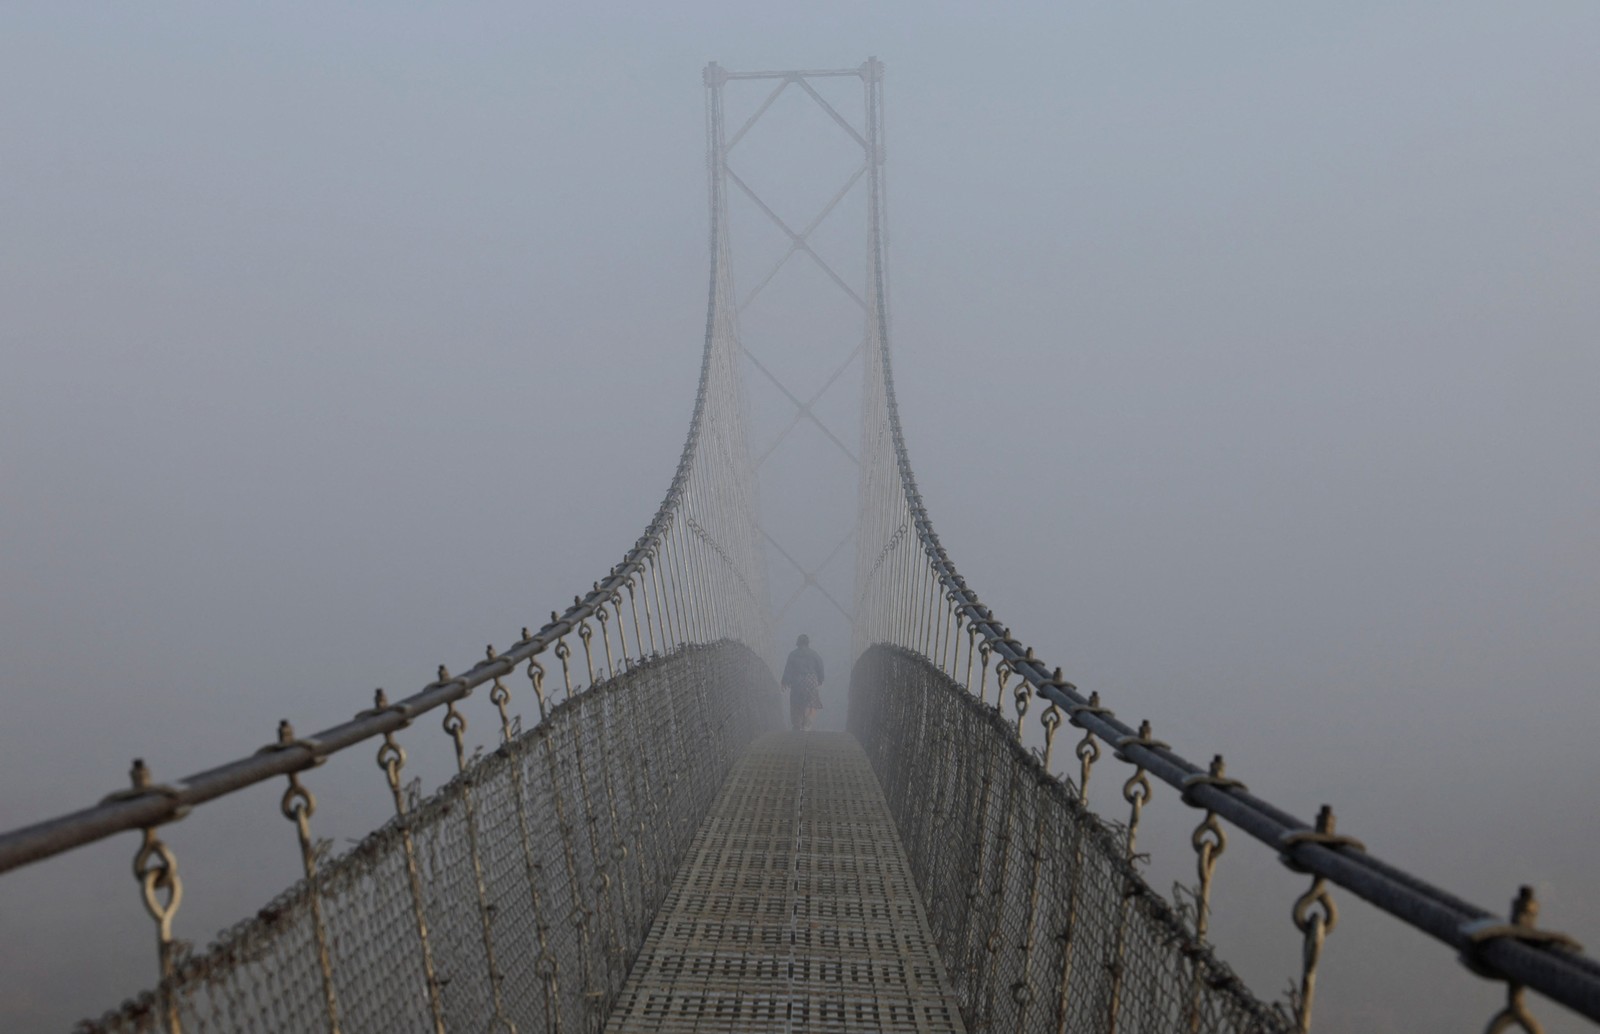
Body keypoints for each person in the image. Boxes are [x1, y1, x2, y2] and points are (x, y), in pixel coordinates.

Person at [781, 634, 825, 732]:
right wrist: (820, 679)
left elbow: (788, 669)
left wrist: (785, 682)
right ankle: (807, 722)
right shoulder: (814, 654)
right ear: (808, 643)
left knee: (796, 703)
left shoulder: (793, 654)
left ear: (798, 643)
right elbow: (820, 667)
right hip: (811, 680)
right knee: (812, 702)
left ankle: (797, 724)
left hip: (797, 680)